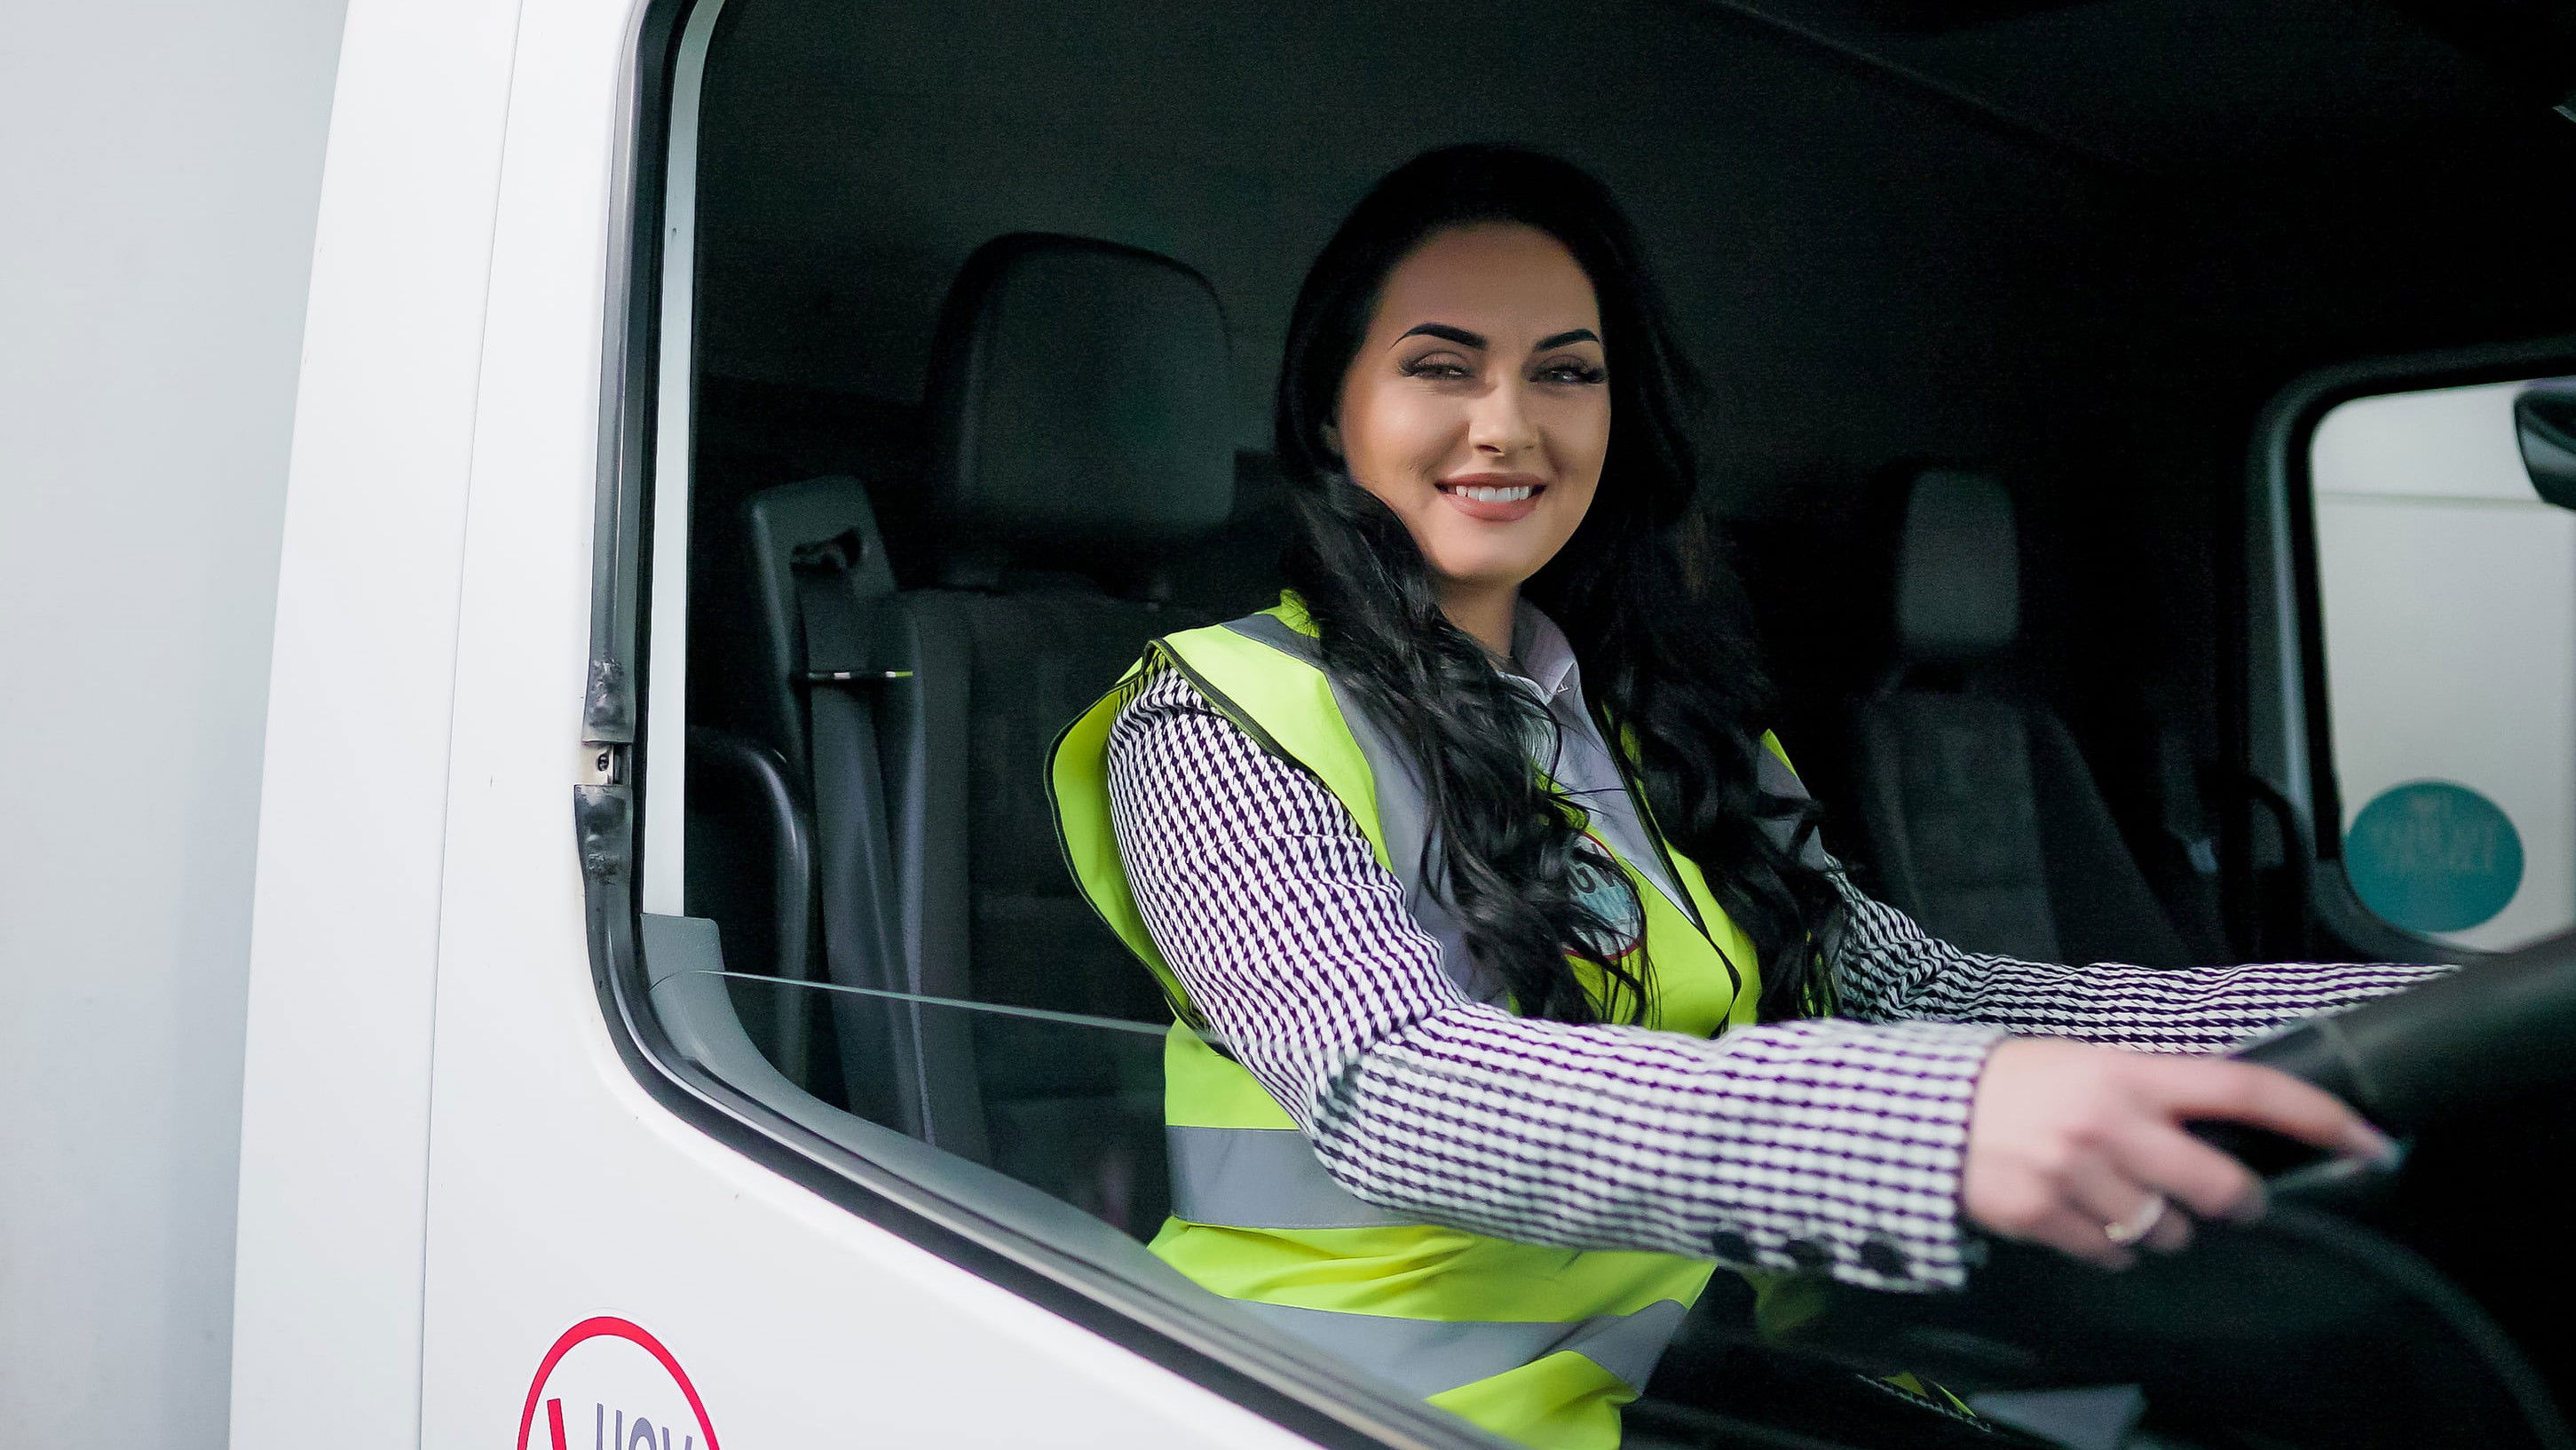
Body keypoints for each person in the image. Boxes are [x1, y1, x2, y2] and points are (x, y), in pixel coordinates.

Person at [1047, 144, 2441, 1450]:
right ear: (1328, 408)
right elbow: (1390, 1082)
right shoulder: (1213, 716)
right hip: (1332, 1408)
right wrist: (1925, 1126)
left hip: (1693, 1381)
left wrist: (2390, 1016)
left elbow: (1917, 988)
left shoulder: (1665, 729)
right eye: (1439, 366)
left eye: (1565, 372)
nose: (1507, 423)